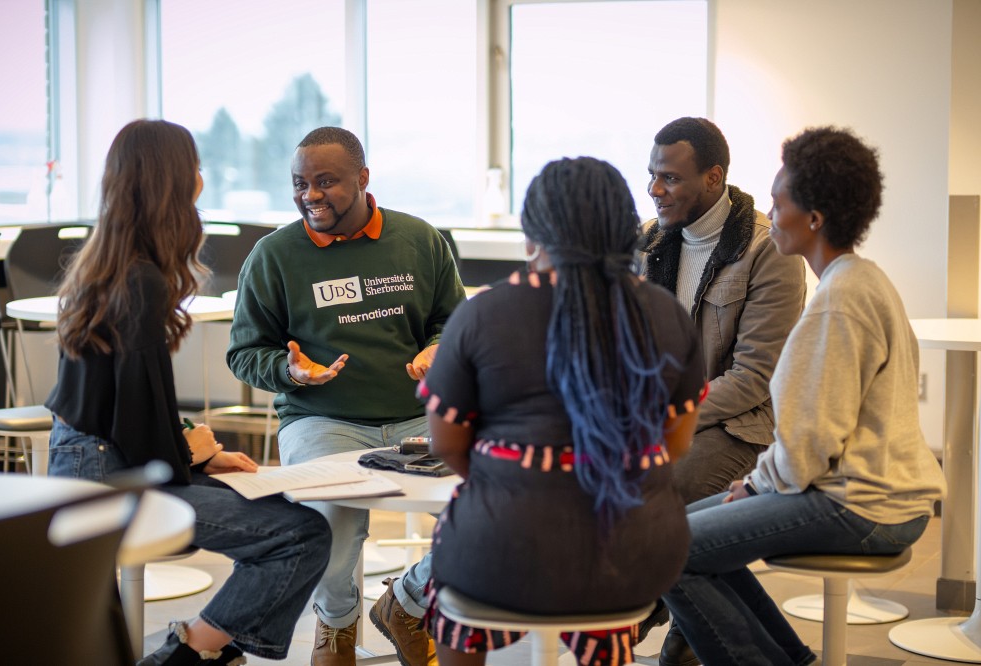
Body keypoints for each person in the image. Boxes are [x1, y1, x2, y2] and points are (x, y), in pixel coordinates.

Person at [45, 119, 332, 665]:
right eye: (194, 168)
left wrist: (198, 452)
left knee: (278, 513)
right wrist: (193, 458)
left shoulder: (105, 266)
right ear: (173, 182)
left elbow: (124, 403)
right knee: (302, 534)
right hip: (114, 478)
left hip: (87, 461)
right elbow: (134, 421)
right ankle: (189, 654)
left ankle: (210, 653)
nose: (201, 179)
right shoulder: (140, 281)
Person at [657, 127, 947, 666]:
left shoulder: (837, 303)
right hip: (872, 492)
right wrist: (759, 483)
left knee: (666, 548)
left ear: (813, 218)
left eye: (777, 202)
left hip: (861, 505)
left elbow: (811, 441)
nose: (768, 215)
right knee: (678, 529)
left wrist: (756, 485)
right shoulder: (865, 279)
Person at [417, 156, 707, 666]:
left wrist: (509, 473)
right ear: (624, 232)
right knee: (605, 593)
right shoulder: (666, 314)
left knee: (453, 576)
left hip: (497, 553)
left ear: (531, 236)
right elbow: (676, 443)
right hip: (636, 558)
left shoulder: (482, 313)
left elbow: (445, 444)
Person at [227, 126, 465, 666]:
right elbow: (244, 353)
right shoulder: (274, 255)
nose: (310, 195)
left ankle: (407, 603)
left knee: (487, 510)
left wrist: (436, 348)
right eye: (299, 184)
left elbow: (453, 322)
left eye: (326, 182)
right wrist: (290, 372)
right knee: (327, 520)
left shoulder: (420, 239)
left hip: (417, 419)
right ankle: (335, 626)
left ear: (362, 178)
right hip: (320, 418)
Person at [637, 117, 807, 505]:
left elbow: (753, 377)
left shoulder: (767, 251)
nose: (654, 190)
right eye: (651, 175)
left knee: (659, 491)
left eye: (671, 178)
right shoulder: (650, 241)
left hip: (741, 426)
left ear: (713, 178)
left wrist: (663, 418)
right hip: (663, 416)